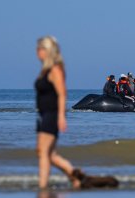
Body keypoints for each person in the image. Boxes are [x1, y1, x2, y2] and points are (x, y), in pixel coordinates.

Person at [34, 36, 81, 189]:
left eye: (39, 49)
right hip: (44, 115)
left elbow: (62, 94)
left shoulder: (55, 69)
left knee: (43, 153)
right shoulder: (45, 70)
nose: (37, 52)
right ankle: (76, 176)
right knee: (50, 155)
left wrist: (61, 116)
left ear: (47, 51)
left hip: (52, 114)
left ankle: (42, 187)